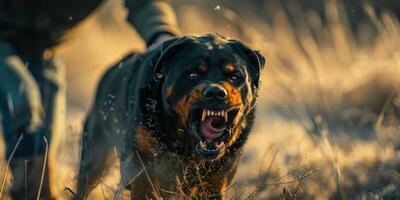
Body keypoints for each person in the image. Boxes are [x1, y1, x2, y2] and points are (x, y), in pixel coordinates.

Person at [0, 0, 181, 199]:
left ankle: (34, 195)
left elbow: (144, 3)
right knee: (24, 102)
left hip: (46, 46)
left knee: (47, 135)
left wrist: (163, 35)